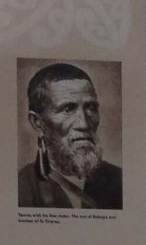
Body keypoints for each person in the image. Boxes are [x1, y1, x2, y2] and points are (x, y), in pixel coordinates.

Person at [19, 62, 122, 211]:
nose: (84, 124)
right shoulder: (22, 189)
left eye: (91, 108)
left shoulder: (120, 182)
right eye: (67, 110)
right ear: (37, 123)